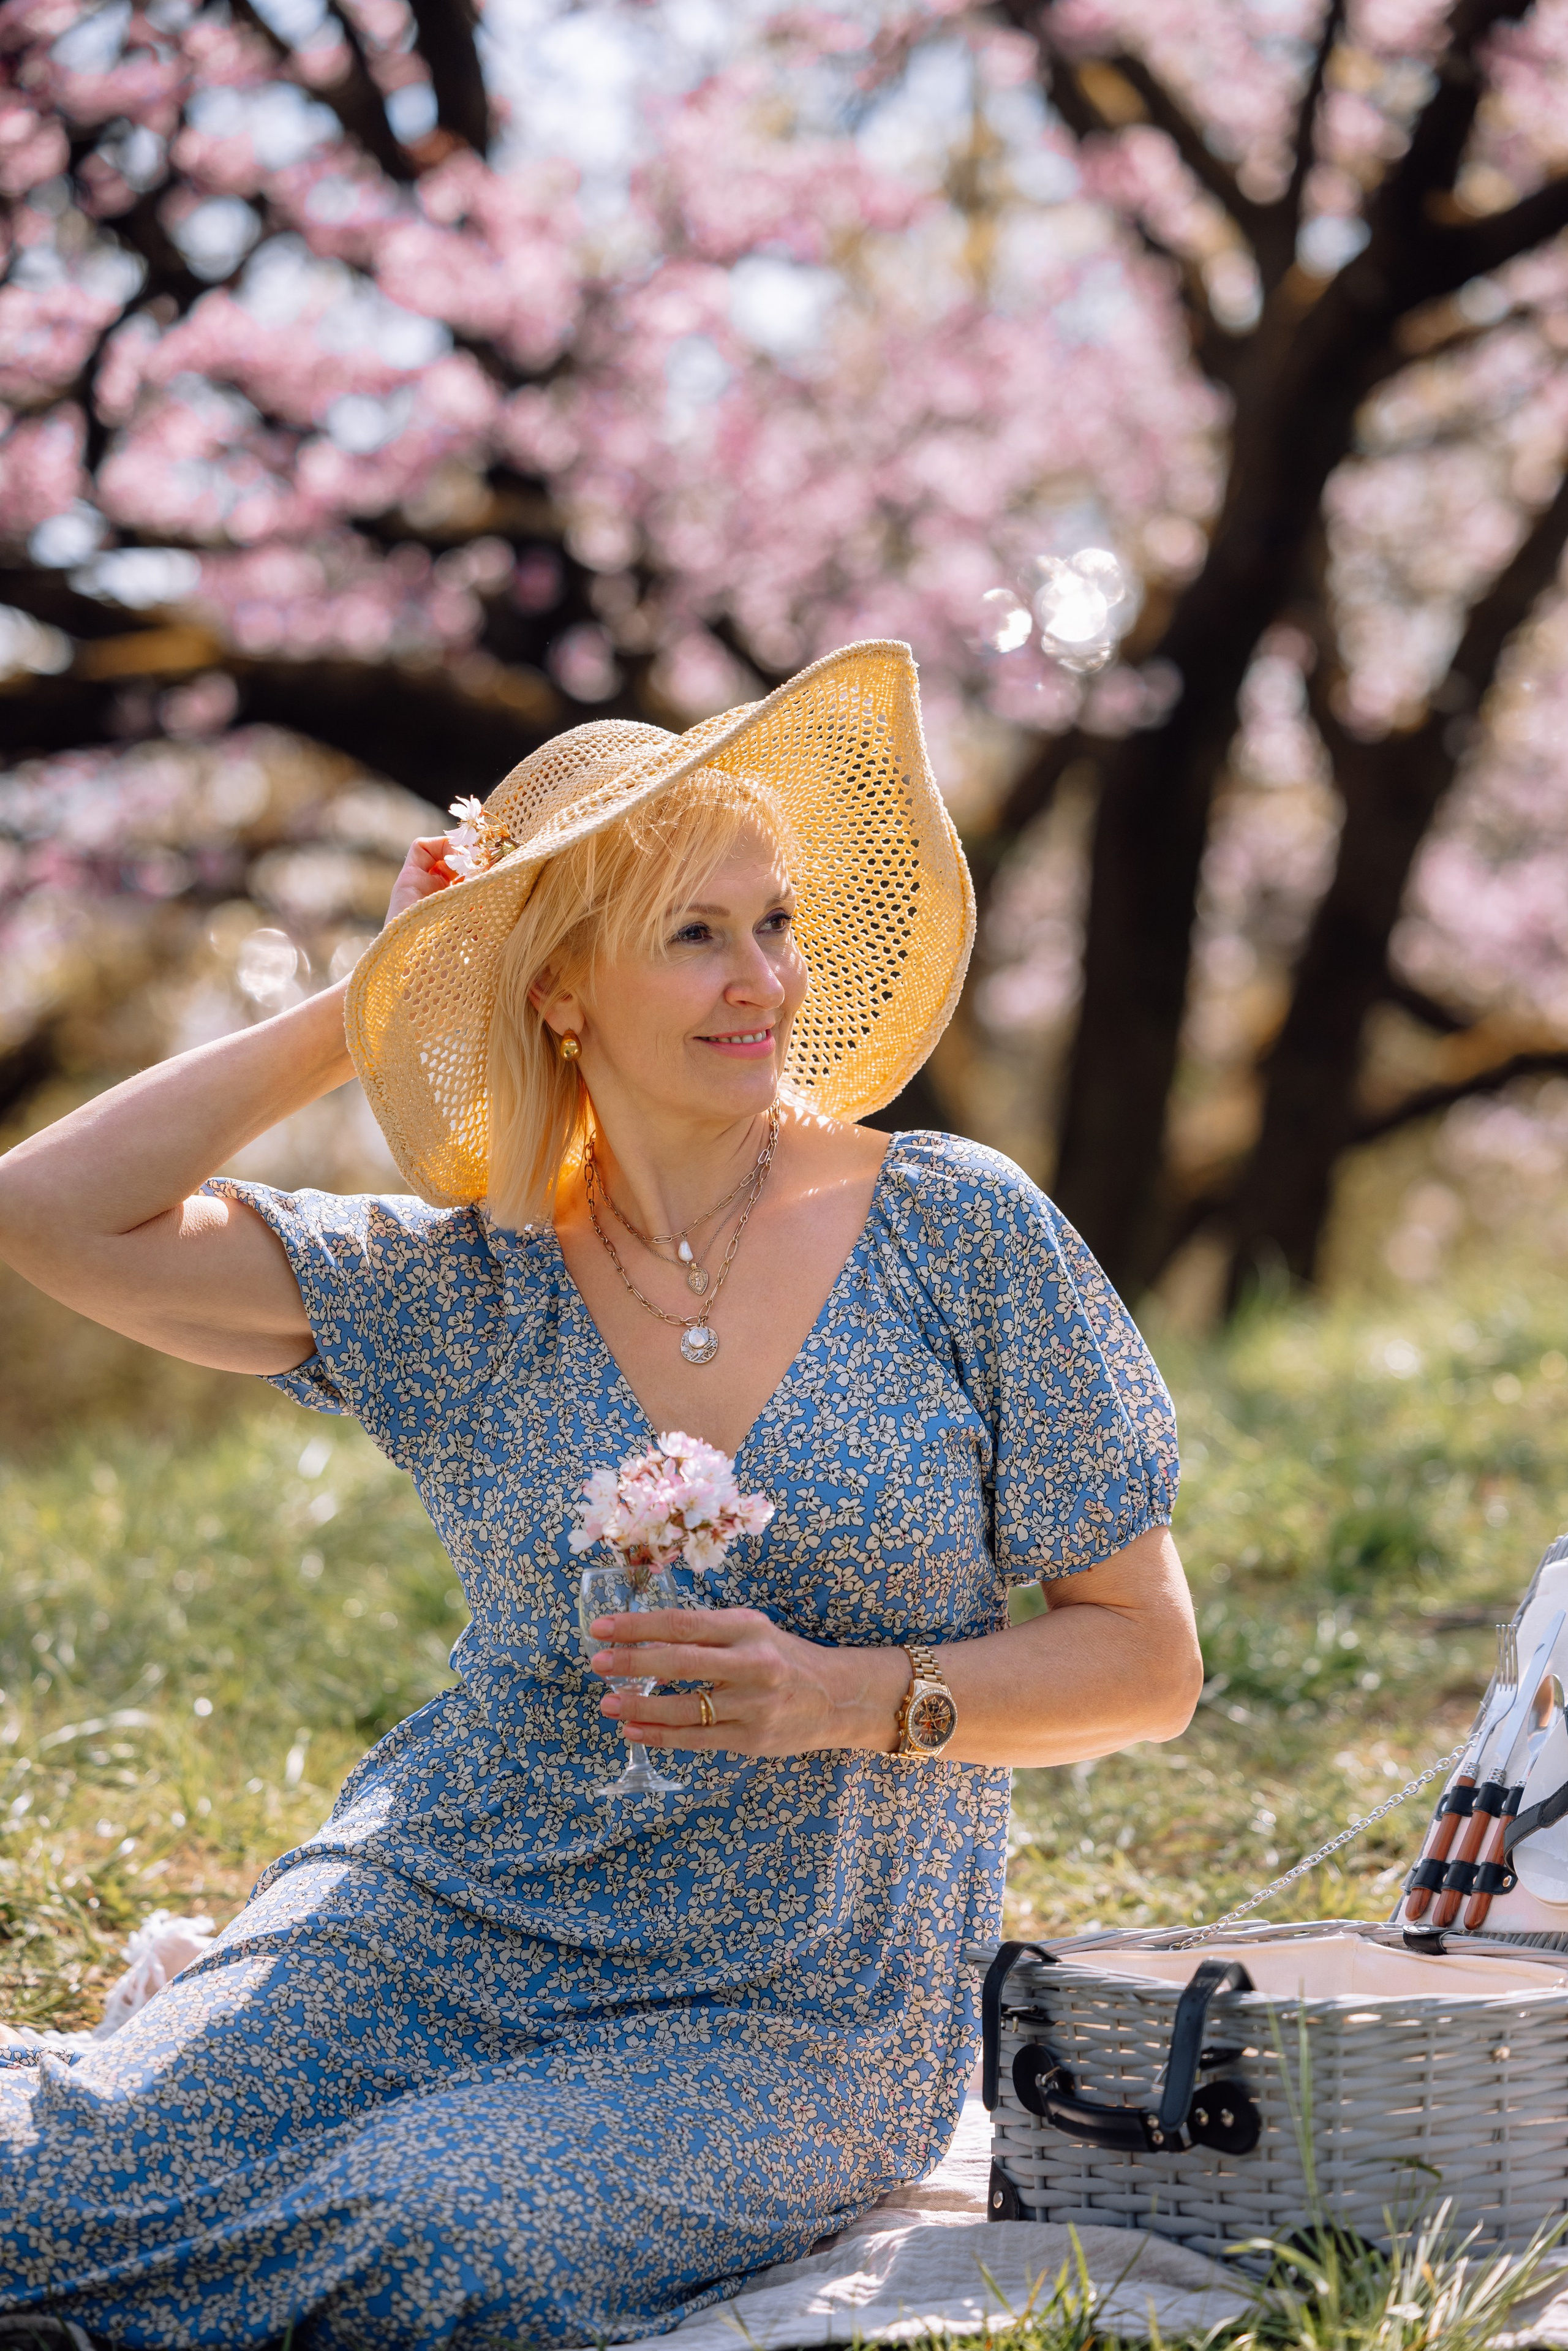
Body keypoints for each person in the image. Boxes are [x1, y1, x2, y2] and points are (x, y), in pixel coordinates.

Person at [0, 641, 1200, 2350]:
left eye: (772, 921)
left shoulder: (958, 1230)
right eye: (693, 935)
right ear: (559, 988)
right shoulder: (465, 1283)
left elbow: (1148, 1661)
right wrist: (371, 1000)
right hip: (434, 1911)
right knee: (41, 2182)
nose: (762, 980)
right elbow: (46, 1215)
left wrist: (846, 1698)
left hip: (790, 2010)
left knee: (438, 2235)